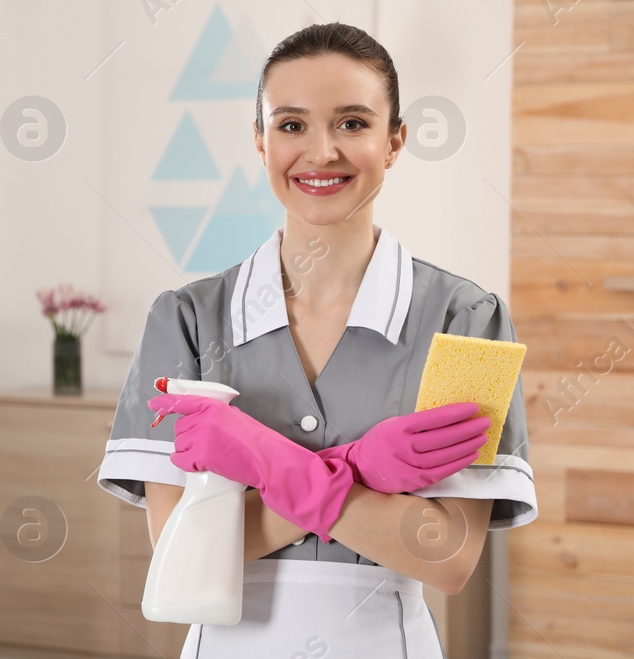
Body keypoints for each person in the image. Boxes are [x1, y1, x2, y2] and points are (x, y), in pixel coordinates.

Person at [96, 22, 537, 658]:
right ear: (261, 141)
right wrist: (357, 473)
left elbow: (446, 559)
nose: (321, 151)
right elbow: (180, 550)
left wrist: (268, 465)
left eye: (353, 123)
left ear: (394, 142)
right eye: (292, 125)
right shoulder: (186, 320)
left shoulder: (466, 319)